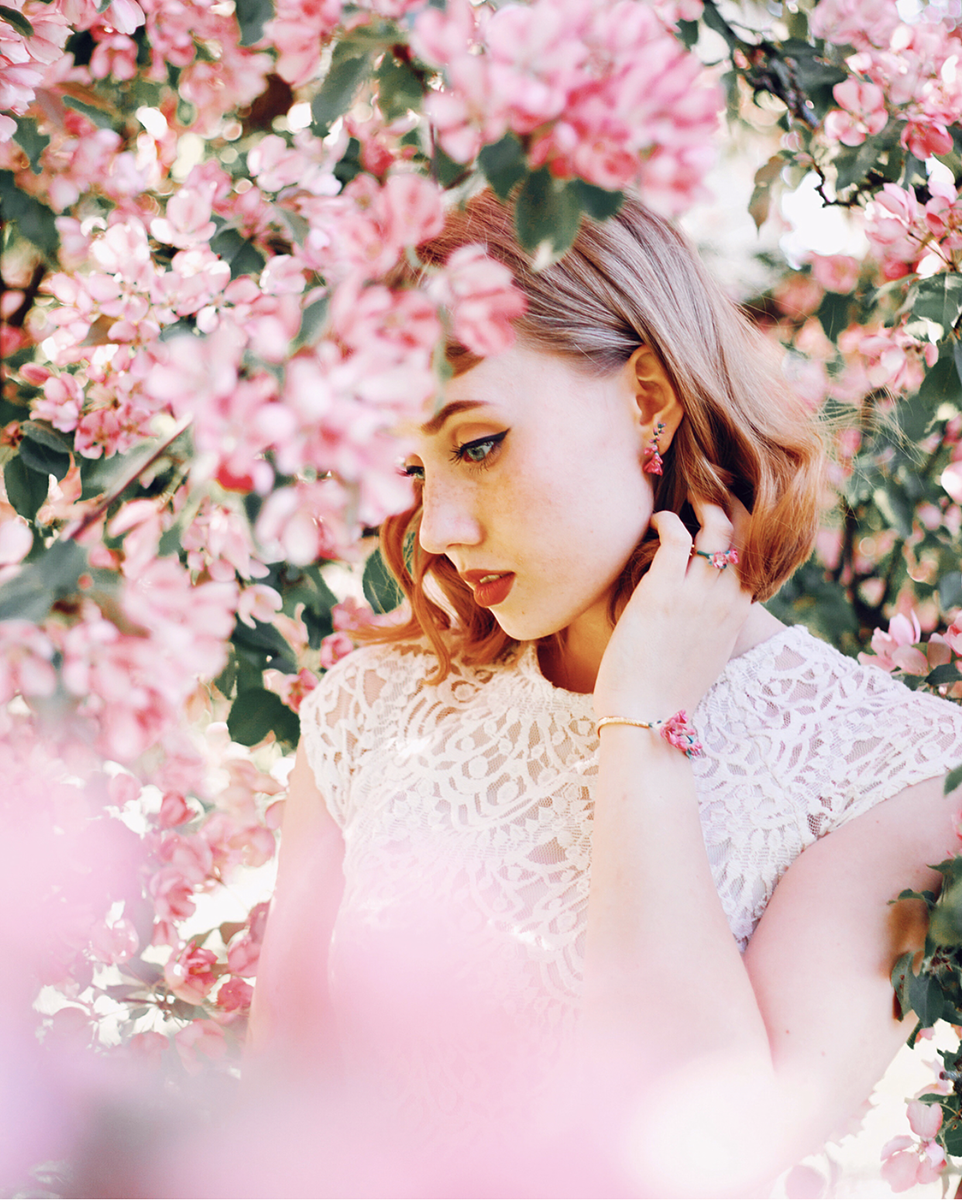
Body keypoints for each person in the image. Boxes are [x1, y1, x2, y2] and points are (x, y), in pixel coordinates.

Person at [249, 190, 962, 1196]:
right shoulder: (369, 718)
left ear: (647, 400)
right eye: (410, 466)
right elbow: (278, 1121)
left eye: (477, 445)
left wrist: (639, 730)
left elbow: (694, 1154)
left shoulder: (897, 773)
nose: (441, 526)